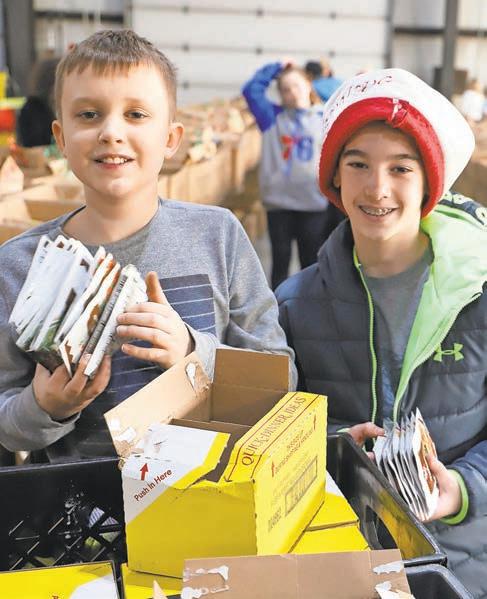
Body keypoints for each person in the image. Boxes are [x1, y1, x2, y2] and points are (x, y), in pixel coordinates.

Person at [0, 30, 296, 458]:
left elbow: (280, 376)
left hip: (208, 488)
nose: (111, 132)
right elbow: (7, 424)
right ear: (60, 138)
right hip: (79, 497)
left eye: (136, 114)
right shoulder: (18, 265)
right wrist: (45, 406)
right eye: (89, 114)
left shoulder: (218, 235)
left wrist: (192, 352)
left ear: (171, 139)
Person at [276, 68, 487, 597]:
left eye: (401, 168)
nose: (377, 188)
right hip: (345, 561)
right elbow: (276, 431)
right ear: (334, 178)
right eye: (358, 164)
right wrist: (332, 449)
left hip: (465, 564)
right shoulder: (295, 305)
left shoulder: (479, 293)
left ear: (430, 183)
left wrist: (461, 488)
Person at [242, 61, 333, 289]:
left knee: (311, 263)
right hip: (279, 204)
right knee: (280, 261)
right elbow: (251, 90)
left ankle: (309, 305)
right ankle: (278, 307)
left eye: (297, 86)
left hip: (313, 204)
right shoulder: (271, 117)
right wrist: (276, 67)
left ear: (309, 85)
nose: (292, 92)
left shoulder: (325, 117)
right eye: (285, 89)